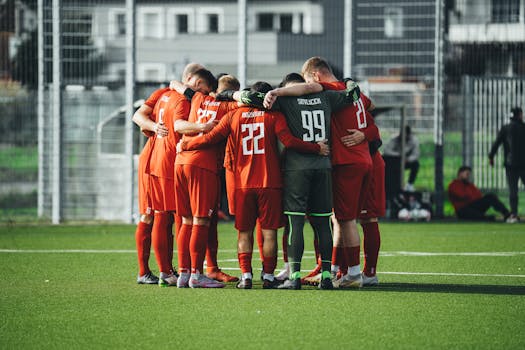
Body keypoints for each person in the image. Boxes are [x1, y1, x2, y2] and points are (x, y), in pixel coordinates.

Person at [179, 81, 329, 289]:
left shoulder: (233, 116)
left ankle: (246, 276)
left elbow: (210, 138)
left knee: (244, 232)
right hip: (270, 182)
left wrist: (186, 144)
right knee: (269, 232)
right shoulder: (274, 116)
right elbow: (289, 141)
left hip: (242, 184)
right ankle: (268, 276)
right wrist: (315, 148)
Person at [250, 73, 360, 290]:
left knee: (295, 223)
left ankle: (295, 276)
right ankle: (327, 275)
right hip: (323, 166)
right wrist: (347, 80)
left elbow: (252, 97)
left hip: (296, 169)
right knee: (323, 222)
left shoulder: (284, 100)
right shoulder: (327, 96)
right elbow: (353, 94)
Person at [300, 57, 377, 289]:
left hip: (347, 162)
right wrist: (364, 133)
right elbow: (371, 108)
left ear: (315, 76)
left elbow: (309, 88)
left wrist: (278, 93)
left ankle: (354, 273)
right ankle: (334, 269)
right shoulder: (353, 94)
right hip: (363, 160)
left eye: (308, 81)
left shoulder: (330, 89)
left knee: (345, 220)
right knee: (341, 218)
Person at [131, 63, 204, 285]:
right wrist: (155, 128)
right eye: (201, 86)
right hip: (161, 161)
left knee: (157, 214)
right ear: (192, 80)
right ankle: (162, 272)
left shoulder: (163, 94)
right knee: (160, 214)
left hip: (156, 159)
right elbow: (139, 117)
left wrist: (152, 127)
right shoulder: (183, 100)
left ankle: (160, 271)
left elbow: (139, 116)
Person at [488, 107, 525, 223]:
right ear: (519, 115)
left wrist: (491, 157)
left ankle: (514, 214)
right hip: (524, 164)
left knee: (513, 191)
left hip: (510, 165)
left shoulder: (505, 128)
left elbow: (497, 143)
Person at [383, 125, 420, 192]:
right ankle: (392, 186)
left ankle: (409, 185)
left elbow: (416, 154)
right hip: (396, 162)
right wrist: (398, 156)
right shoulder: (394, 139)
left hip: (407, 161)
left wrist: (408, 159)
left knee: (416, 164)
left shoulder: (414, 140)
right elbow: (387, 151)